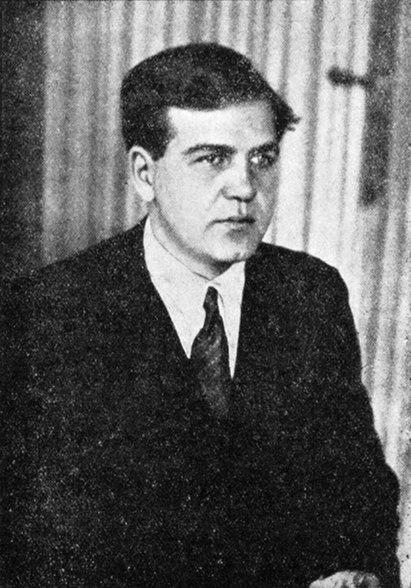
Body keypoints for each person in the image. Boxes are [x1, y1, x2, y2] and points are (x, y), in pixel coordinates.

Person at [2, 43, 400, 587]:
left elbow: (360, 486)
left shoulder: (310, 294)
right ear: (145, 174)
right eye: (212, 158)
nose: (244, 187)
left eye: (262, 158)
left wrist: (357, 570)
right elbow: (30, 544)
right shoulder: (49, 312)